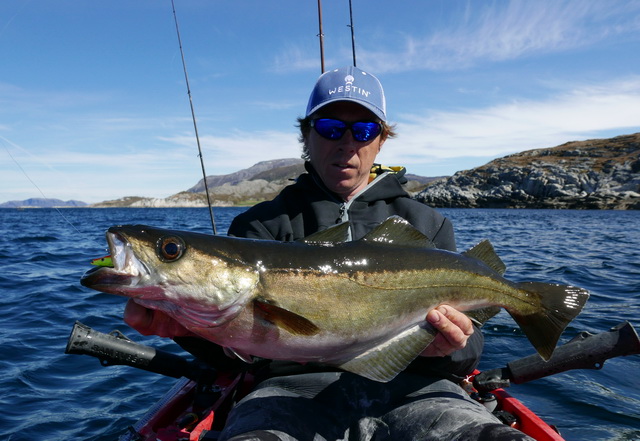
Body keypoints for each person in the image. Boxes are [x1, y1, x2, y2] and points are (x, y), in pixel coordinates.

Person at [125, 66, 533, 441]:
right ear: (306, 135)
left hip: (421, 389)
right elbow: (240, 356)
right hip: (285, 394)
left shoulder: (427, 225)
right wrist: (187, 330)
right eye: (330, 127)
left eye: (364, 129)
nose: (347, 144)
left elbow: (468, 348)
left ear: (381, 139)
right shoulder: (258, 227)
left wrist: (450, 348)